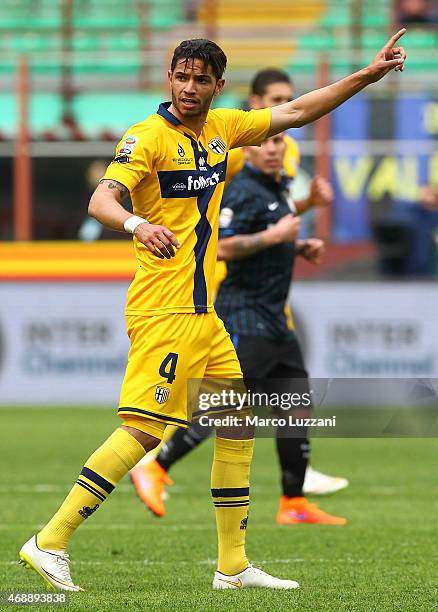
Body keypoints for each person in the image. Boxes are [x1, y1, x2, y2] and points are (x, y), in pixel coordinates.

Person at [18, 33, 407, 592]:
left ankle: (232, 566)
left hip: (206, 314)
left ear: (218, 86)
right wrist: (136, 223)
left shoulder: (224, 129)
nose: (190, 87)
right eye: (182, 76)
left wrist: (366, 76)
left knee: (236, 423)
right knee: (144, 430)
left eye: (202, 79)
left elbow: (296, 110)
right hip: (164, 309)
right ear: (168, 76)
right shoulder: (147, 137)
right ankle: (50, 540)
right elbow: (101, 199)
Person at [130, 69, 348, 522]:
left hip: (273, 315)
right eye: (277, 103)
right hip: (239, 310)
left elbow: (273, 224)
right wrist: (274, 237)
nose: (277, 143)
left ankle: (293, 501)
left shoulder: (279, 181)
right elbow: (225, 240)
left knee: (294, 402)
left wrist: (296, 239)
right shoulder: (233, 169)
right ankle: (157, 463)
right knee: (227, 406)